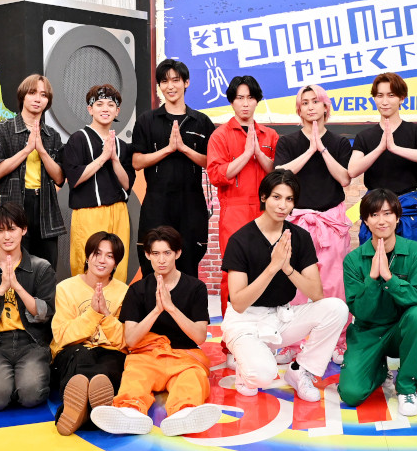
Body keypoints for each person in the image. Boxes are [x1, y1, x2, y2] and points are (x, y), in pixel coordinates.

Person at [219, 170, 348, 400]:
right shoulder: (240, 240)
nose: (282, 205)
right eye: (276, 197)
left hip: (281, 318)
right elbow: (238, 303)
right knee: (263, 376)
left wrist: (287, 268)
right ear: (263, 197)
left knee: (336, 308)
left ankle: (300, 371)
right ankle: (246, 365)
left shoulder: (299, 237)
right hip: (245, 321)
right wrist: (272, 267)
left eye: (289, 199)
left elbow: (317, 294)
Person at [91, 226, 222, 437]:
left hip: (184, 356)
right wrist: (156, 310)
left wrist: (171, 308)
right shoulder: (137, 290)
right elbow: (131, 340)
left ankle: (184, 413)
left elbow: (199, 336)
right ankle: (130, 412)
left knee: (193, 378)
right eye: (156, 253)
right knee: (135, 375)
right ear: (147, 255)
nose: (161, 260)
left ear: (177, 253)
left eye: (167, 253)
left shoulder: (196, 287)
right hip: (147, 355)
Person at [274, 84, 353, 363]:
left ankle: (337, 342)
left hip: (330, 221)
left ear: (325, 107)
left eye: (315, 101)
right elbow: (280, 174)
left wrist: (322, 149)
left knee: (333, 286)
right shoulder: (288, 142)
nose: (310, 107)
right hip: (298, 221)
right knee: (294, 286)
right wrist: (309, 150)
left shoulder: (339, 143)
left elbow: (345, 178)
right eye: (305, 102)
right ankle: (292, 344)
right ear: (299, 109)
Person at [340, 188, 417, 416]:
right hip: (368, 333)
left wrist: (390, 279)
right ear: (365, 220)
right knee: (351, 394)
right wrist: (373, 279)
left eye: (387, 213)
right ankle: (378, 370)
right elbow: (360, 311)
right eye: (374, 215)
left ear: (397, 217)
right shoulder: (353, 260)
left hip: (401, 329)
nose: (381, 221)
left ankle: (406, 387)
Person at [0, 203, 57, 411]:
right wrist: (0, 290)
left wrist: (17, 287)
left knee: (31, 396)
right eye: (0, 230)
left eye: (12, 229)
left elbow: (44, 314)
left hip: (31, 342)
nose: (6, 236)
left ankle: (14, 382)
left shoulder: (41, 267)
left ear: (23, 230)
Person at [131, 58, 216, 275]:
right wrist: (168, 149)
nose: (170, 86)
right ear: (159, 86)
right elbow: (136, 162)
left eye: (176, 80)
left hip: (191, 203)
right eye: (164, 81)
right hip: (157, 202)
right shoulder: (147, 120)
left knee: (188, 264)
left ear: (186, 83)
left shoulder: (201, 121)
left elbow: (213, 162)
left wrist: (184, 149)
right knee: (154, 264)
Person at [207, 75, 278, 315]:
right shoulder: (220, 136)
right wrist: (247, 155)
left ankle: (268, 327)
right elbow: (215, 175)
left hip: (267, 211)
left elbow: (278, 173)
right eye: (239, 98)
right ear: (232, 101)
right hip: (234, 210)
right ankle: (231, 332)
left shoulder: (269, 135)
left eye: (250, 98)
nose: (245, 103)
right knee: (233, 270)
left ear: (257, 100)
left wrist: (258, 152)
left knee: (268, 267)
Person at [0, 74, 66, 268]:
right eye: (32, 93)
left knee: (46, 267)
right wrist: (27, 150)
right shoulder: (1, 131)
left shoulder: (52, 136)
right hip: (14, 204)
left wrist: (42, 151)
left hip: (45, 205)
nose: (38, 99)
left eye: (43, 95)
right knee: (14, 266)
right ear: (22, 96)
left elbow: (60, 178)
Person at [51, 232, 130, 435]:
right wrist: (93, 314)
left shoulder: (124, 292)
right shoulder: (65, 288)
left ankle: (78, 414)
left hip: (109, 352)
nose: (102, 260)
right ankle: (96, 413)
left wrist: (106, 314)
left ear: (116, 263)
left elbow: (124, 341)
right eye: (97, 253)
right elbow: (62, 336)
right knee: (80, 363)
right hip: (74, 351)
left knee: (109, 367)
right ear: (87, 256)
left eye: (109, 256)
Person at [348, 72, 417, 243]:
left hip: (407, 207)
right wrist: (380, 148)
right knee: (373, 258)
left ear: (402, 98)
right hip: (375, 208)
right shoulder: (364, 136)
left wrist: (395, 148)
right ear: (374, 99)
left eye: (391, 95)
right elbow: (352, 170)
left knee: (411, 256)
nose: (385, 101)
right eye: (379, 95)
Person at [62, 84, 135, 281]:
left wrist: (114, 159)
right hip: (89, 212)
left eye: (111, 105)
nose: (105, 109)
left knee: (118, 266)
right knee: (87, 264)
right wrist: (102, 158)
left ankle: (115, 302)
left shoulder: (122, 146)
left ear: (117, 111)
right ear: (90, 109)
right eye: (99, 104)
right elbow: (74, 178)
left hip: (118, 211)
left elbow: (127, 184)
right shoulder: (78, 139)